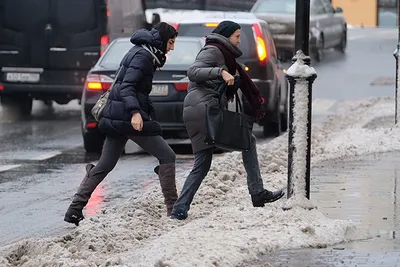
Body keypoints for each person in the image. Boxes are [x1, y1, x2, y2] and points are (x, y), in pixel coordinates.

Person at [64, 22, 179, 226]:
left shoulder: (141, 51)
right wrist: (135, 112)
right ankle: (174, 209)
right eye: (170, 42)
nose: (172, 48)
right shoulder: (143, 56)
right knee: (167, 155)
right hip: (126, 117)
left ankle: (74, 209)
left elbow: (134, 89)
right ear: (162, 40)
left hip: (119, 115)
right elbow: (127, 87)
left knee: (105, 164)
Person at [170, 21, 285, 220]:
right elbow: (193, 72)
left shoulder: (225, 54)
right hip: (203, 110)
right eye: (237, 37)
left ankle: (180, 209)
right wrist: (220, 72)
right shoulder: (213, 50)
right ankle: (257, 193)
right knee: (246, 142)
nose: (239, 41)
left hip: (202, 109)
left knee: (204, 163)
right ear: (226, 36)